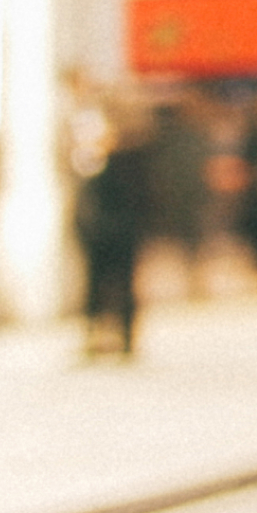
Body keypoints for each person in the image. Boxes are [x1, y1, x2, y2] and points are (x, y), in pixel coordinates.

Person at [75, 95, 154, 360]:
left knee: (118, 284)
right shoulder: (98, 160)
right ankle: (101, 335)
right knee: (100, 284)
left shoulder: (128, 161)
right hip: (104, 233)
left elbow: (140, 199)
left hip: (119, 231)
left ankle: (123, 338)